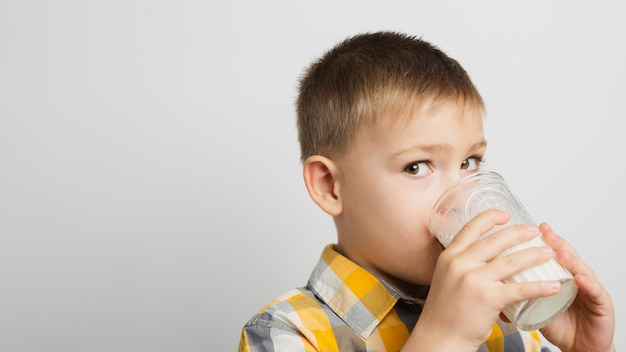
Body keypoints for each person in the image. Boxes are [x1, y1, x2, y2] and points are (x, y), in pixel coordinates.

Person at [237, 31, 616, 352]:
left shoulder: (511, 322)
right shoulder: (287, 332)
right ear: (329, 186)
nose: (460, 200)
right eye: (416, 167)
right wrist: (444, 337)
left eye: (470, 162)